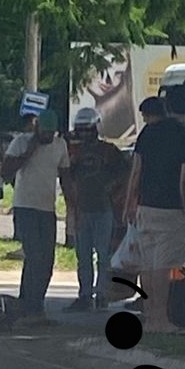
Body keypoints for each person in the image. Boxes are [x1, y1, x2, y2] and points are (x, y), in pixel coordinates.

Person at [124, 96, 185, 333]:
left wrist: (129, 204)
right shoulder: (184, 135)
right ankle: (161, 318)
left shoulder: (146, 135)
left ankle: (149, 316)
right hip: (172, 208)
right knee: (163, 265)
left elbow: (136, 172)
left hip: (146, 207)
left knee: (147, 263)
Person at [2, 109, 73, 325]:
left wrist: (72, 206)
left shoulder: (60, 145)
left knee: (47, 260)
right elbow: (6, 174)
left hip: (47, 208)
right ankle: (30, 306)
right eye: (45, 132)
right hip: (25, 206)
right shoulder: (21, 142)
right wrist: (30, 150)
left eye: (52, 133)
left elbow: (66, 177)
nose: (48, 137)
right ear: (36, 128)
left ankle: (34, 303)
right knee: (34, 257)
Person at [64, 107, 128, 312]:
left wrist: (114, 194)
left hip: (103, 209)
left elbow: (125, 173)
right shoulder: (73, 152)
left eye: (88, 129)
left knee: (103, 255)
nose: (84, 134)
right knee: (83, 255)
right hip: (82, 209)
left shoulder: (109, 151)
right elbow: (67, 177)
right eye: (81, 130)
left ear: (95, 128)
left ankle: (101, 294)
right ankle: (85, 294)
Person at [6, 112, 39, 260]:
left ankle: (29, 248)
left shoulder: (51, 142)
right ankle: (24, 246)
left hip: (40, 190)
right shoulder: (20, 141)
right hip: (23, 188)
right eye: (33, 123)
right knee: (24, 220)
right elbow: (8, 167)